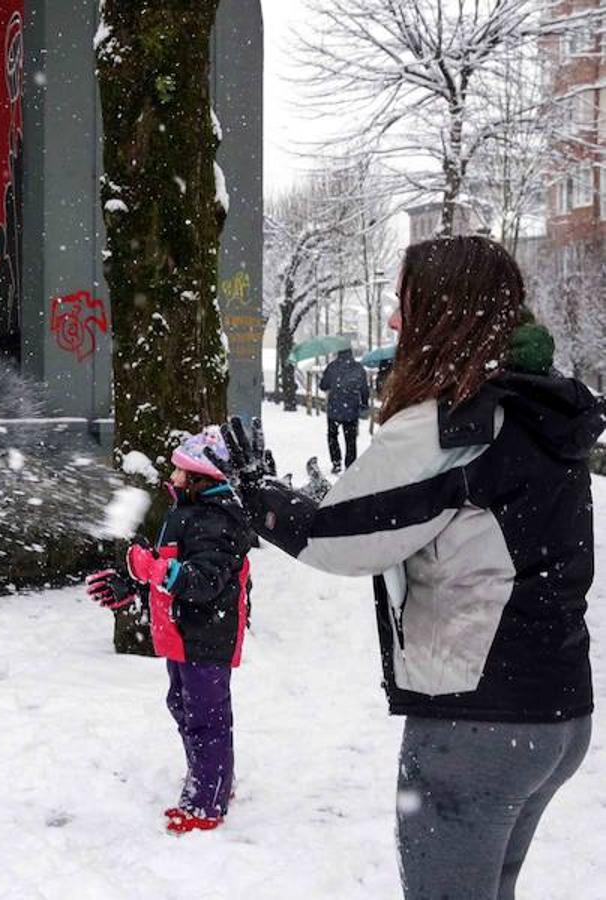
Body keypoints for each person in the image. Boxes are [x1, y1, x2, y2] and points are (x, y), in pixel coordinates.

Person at [209, 235, 600, 899]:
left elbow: (339, 538)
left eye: (404, 303)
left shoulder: (455, 423)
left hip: (479, 724)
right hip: (556, 715)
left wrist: (259, 495)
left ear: (447, 311)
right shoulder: (542, 405)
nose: (394, 321)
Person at [85, 428, 254, 835]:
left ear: (200, 477)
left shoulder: (216, 522)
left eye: (180, 471)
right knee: (184, 706)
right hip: (184, 634)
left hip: (205, 636)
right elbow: (167, 569)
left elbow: (202, 582)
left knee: (206, 718)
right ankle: (210, 778)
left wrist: (152, 570)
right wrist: (132, 584)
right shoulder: (186, 514)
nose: (172, 478)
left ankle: (206, 802)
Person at [319, 346, 370, 472]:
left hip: (334, 409)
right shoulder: (358, 368)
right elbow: (364, 389)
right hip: (351, 409)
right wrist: (364, 403)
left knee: (332, 436)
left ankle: (336, 462)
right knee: (350, 438)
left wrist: (327, 379)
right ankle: (350, 464)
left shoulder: (332, 367)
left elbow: (323, 386)